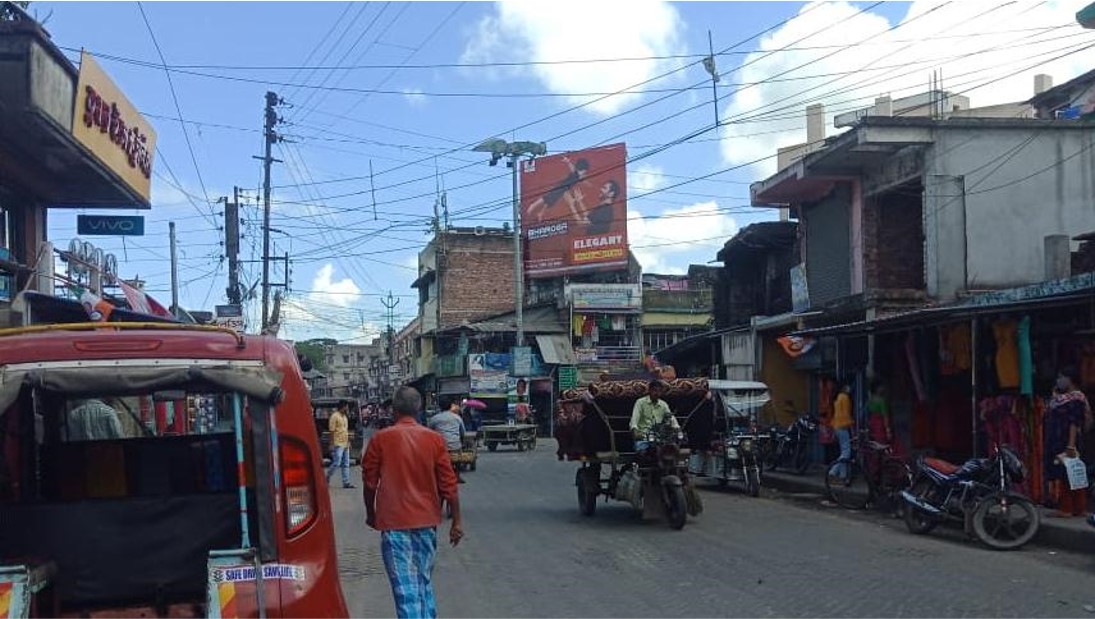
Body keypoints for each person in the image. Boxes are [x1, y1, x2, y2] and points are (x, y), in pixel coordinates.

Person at [363, 386, 463, 619]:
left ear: (394, 409)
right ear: (419, 408)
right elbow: (449, 485)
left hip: (394, 524)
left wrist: (371, 513)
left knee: (406, 591)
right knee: (422, 584)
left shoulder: (381, 439)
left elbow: (369, 483)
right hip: (426, 522)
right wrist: (456, 521)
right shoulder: (434, 439)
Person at [1045, 368, 1089, 518]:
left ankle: (1066, 508)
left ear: (1070, 379)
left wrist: (1070, 445)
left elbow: (1074, 423)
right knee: (1074, 473)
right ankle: (1078, 508)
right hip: (1061, 439)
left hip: (1067, 441)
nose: (1059, 380)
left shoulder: (1076, 399)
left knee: (1066, 474)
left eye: (1062, 377)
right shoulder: (1063, 398)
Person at [525, 156, 591, 224]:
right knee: (547, 198)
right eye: (584, 171)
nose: (584, 172)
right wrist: (568, 162)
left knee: (551, 201)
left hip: (563, 191)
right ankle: (533, 206)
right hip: (560, 187)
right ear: (582, 169)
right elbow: (572, 168)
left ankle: (540, 213)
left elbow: (583, 180)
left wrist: (588, 183)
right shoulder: (575, 173)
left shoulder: (579, 176)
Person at [629, 380, 679, 451]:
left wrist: (677, 428)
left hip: (659, 438)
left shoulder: (663, 404)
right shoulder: (640, 402)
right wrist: (635, 431)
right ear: (649, 390)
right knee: (642, 451)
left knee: (674, 449)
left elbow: (671, 418)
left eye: (659, 391)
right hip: (644, 437)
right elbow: (634, 420)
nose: (657, 393)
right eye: (654, 390)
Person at [428, 401, 467, 484]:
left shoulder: (435, 418)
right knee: (458, 455)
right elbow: (463, 432)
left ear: (440, 407)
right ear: (450, 407)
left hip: (440, 447)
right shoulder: (457, 417)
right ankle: (457, 475)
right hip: (455, 446)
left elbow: (428, 432)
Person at [827, 384, 855, 482]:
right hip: (843, 426)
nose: (849, 388)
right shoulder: (845, 397)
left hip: (837, 426)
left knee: (843, 451)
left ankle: (843, 475)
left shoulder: (837, 398)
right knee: (847, 452)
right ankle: (833, 471)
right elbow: (846, 414)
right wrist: (851, 426)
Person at [326, 405, 354, 489]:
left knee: (346, 463)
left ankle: (346, 482)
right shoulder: (334, 416)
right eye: (347, 407)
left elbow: (345, 430)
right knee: (337, 463)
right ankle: (327, 476)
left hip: (345, 443)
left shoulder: (345, 417)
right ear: (343, 407)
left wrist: (349, 442)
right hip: (338, 443)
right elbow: (331, 431)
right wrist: (331, 444)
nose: (348, 409)